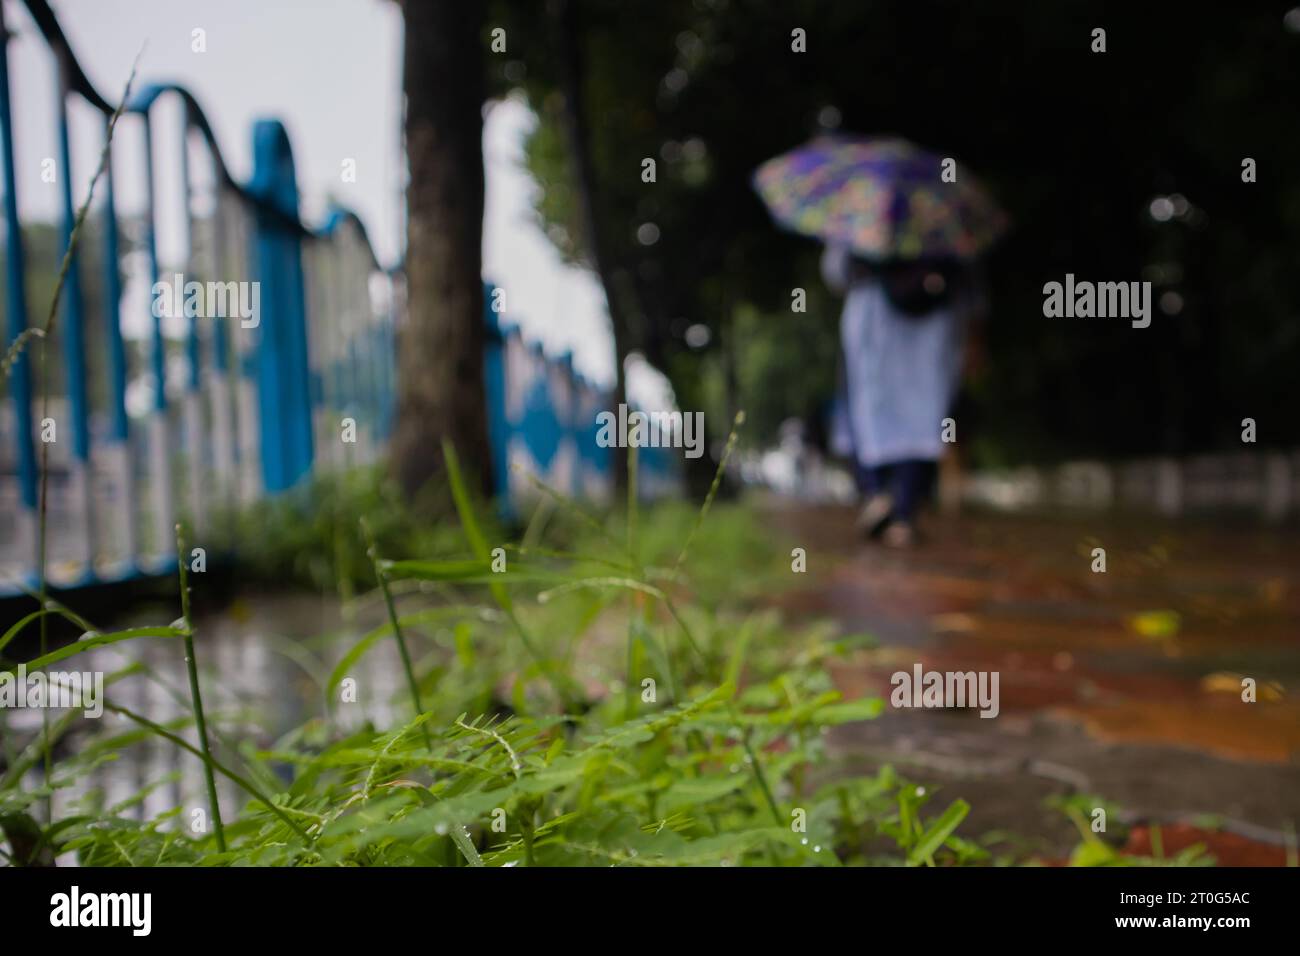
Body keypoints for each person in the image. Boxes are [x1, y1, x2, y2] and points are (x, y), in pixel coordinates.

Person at [821, 243, 984, 547]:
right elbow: (970, 287)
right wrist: (973, 336)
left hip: (876, 321)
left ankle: (878, 492)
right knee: (923, 420)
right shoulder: (943, 218)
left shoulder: (861, 213)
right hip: (934, 323)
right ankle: (904, 513)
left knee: (872, 414)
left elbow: (836, 274)